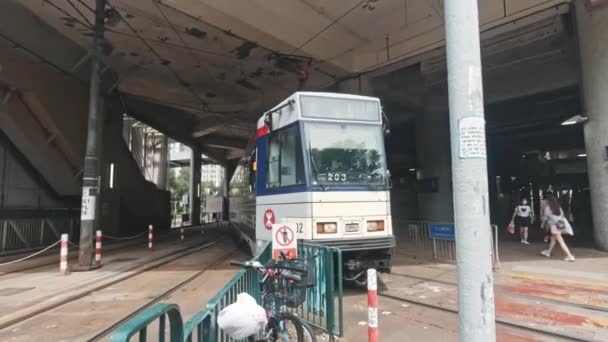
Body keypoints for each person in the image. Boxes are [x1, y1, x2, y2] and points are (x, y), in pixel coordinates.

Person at [540, 196, 575, 262]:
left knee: (561, 241)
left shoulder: (547, 208)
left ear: (548, 202)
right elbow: (562, 215)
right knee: (553, 239)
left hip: (554, 226)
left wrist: (542, 223)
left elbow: (545, 218)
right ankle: (548, 252)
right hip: (561, 225)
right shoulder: (558, 207)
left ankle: (569, 256)